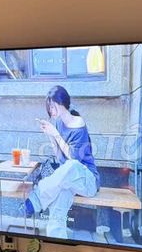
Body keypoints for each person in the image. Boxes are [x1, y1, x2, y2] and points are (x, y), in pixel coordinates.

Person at [24, 85, 100, 239]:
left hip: (87, 181)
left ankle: (36, 200)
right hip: (69, 181)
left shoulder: (78, 123)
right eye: (49, 108)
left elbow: (73, 159)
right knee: (56, 216)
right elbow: (60, 158)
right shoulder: (58, 123)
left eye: (53, 106)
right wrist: (51, 135)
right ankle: (57, 246)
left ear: (62, 103)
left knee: (72, 166)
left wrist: (56, 134)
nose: (51, 111)